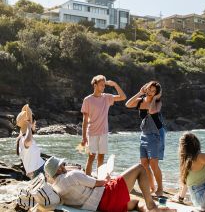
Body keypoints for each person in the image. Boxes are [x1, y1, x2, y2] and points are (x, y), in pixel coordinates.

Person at [44, 156, 176, 212]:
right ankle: (152, 206)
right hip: (107, 196)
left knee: (135, 202)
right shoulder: (73, 175)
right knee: (139, 168)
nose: (65, 166)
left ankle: (151, 210)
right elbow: (100, 183)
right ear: (60, 168)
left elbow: (86, 187)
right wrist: (108, 178)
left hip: (100, 207)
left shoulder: (56, 187)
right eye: (63, 164)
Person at [126, 81, 166, 196]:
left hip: (156, 134)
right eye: (149, 89)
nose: (150, 92)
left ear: (156, 93)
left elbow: (152, 111)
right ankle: (152, 186)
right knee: (144, 163)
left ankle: (160, 188)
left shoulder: (158, 102)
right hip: (144, 134)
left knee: (153, 163)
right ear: (145, 88)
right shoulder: (140, 101)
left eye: (153, 91)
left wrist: (155, 98)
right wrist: (139, 93)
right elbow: (128, 104)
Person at [81, 75, 126, 175]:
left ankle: (99, 179)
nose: (103, 87)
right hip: (92, 132)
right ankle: (87, 179)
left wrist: (115, 85)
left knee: (101, 158)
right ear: (95, 85)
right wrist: (84, 137)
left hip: (103, 133)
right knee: (91, 157)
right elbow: (85, 120)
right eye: (101, 85)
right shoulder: (87, 100)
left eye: (104, 85)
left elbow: (123, 97)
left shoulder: (107, 98)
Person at [16, 104, 45, 179]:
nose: (35, 125)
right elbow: (28, 142)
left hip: (40, 169)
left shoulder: (21, 138)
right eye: (34, 123)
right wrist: (29, 125)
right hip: (40, 171)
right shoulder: (24, 139)